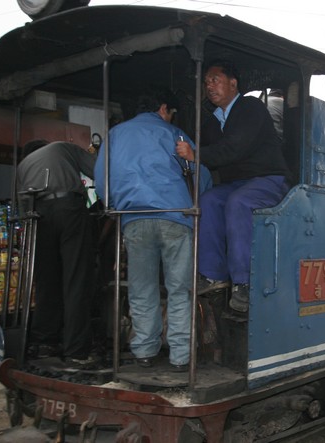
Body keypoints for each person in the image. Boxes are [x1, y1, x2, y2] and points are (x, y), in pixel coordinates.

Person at [95, 86, 212, 372]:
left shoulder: (116, 134)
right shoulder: (173, 134)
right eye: (170, 113)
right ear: (163, 109)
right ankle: (181, 356)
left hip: (134, 218)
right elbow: (201, 175)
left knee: (142, 287)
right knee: (179, 288)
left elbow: (101, 180)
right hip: (176, 216)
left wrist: (116, 204)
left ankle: (145, 350)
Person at [176, 59, 289, 313]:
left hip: (268, 179)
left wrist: (195, 154)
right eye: (206, 83)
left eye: (215, 80)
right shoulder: (213, 121)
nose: (209, 86)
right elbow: (201, 146)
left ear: (233, 83)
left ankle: (243, 282)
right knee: (207, 201)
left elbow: (234, 148)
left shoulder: (251, 107)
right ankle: (212, 274)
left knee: (239, 202)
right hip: (237, 183)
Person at [17, 139, 97, 367]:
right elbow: (98, 169)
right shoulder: (61, 147)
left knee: (46, 281)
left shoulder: (23, 167)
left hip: (37, 216)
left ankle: (44, 343)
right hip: (68, 208)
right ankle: (76, 351)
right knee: (76, 279)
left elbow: (22, 209)